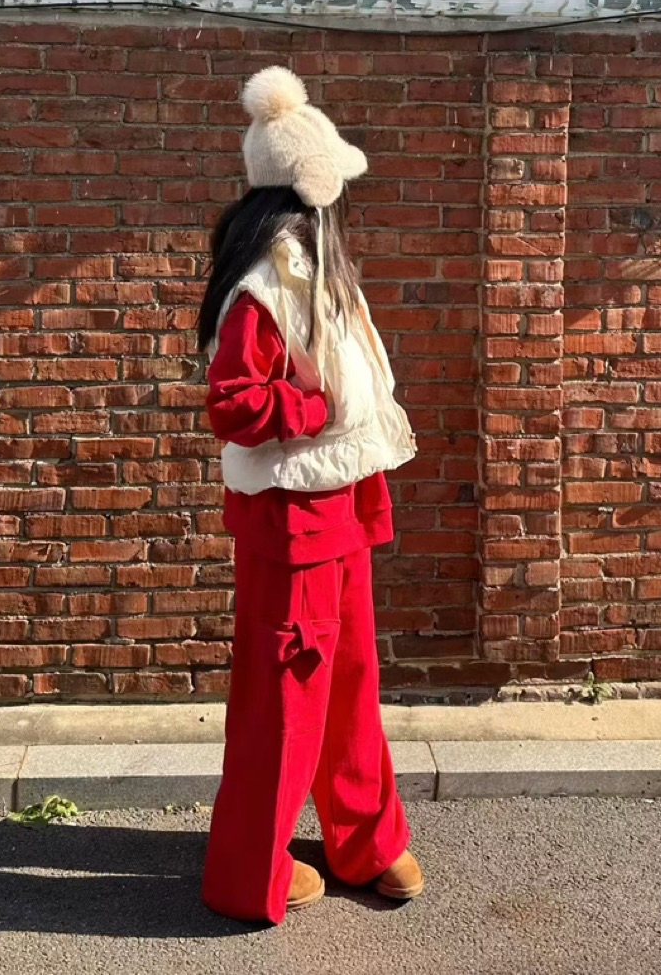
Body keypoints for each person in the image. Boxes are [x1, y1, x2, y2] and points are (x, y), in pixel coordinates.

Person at [197, 65, 424, 925]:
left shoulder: (318, 269)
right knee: (284, 701)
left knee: (351, 683)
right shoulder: (264, 287)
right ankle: (249, 869)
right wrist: (316, 408)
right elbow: (233, 404)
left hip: (342, 502)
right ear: (312, 193)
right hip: (292, 518)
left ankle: (364, 839)